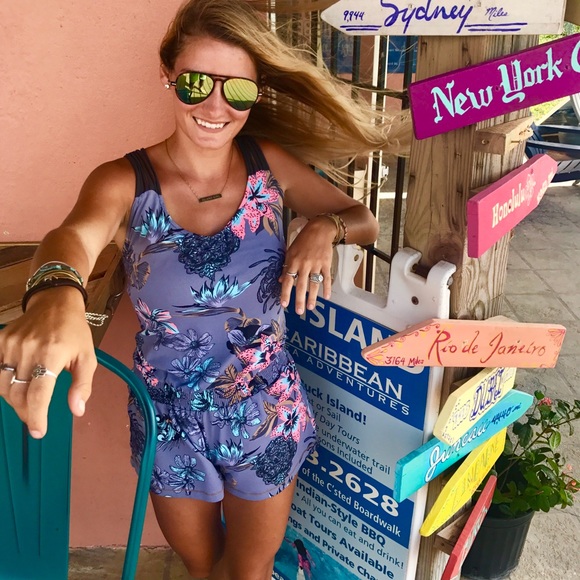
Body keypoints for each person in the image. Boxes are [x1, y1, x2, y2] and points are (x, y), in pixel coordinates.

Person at [0, 1, 408, 578]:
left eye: (237, 91)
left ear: (255, 93)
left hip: (265, 407)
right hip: (169, 416)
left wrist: (325, 227)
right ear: (167, 74)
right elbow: (73, 236)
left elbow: (361, 218)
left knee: (248, 570)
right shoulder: (125, 182)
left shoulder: (268, 165)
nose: (216, 107)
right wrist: (56, 294)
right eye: (196, 83)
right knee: (202, 565)